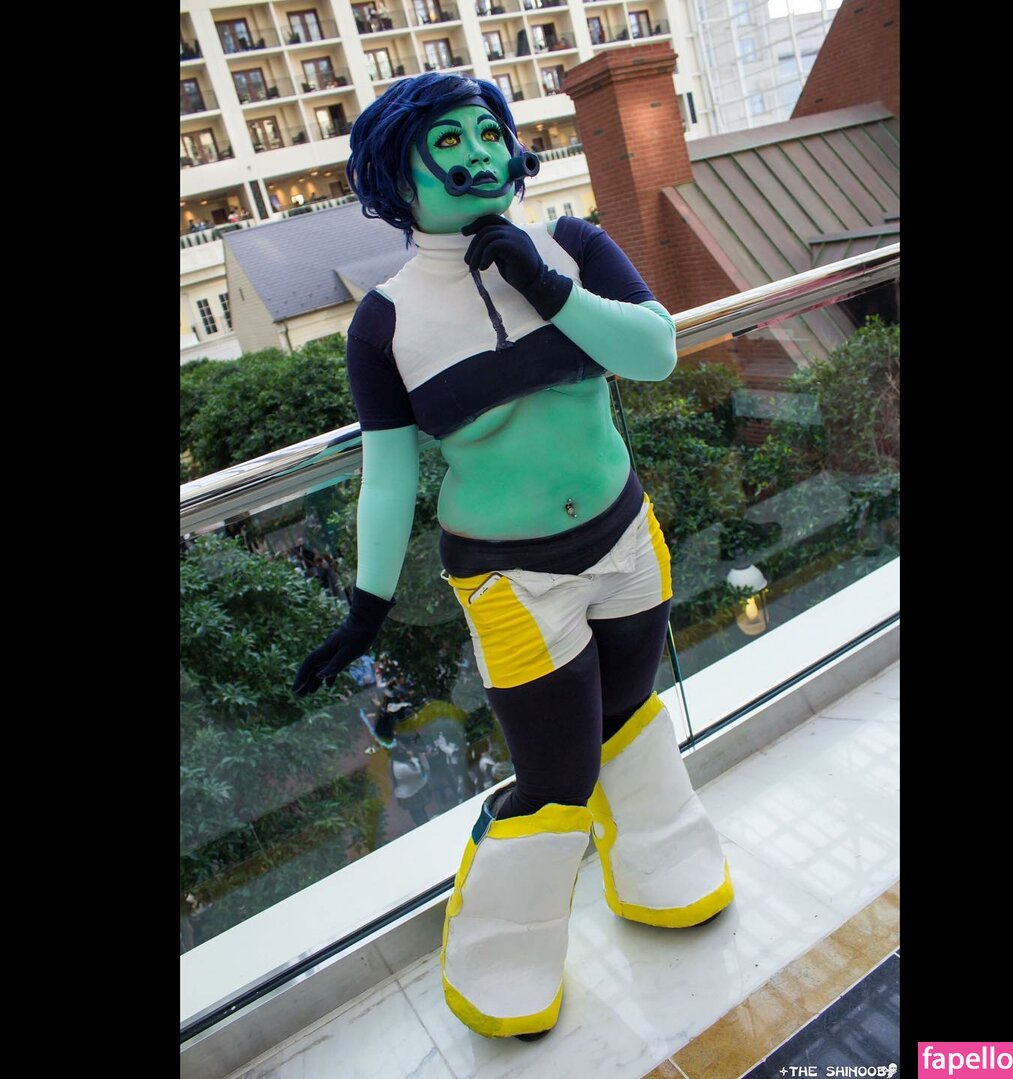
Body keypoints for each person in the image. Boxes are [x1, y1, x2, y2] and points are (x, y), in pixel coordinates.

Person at [293, 72, 733, 1041]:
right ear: (398, 175)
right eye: (449, 141)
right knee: (556, 770)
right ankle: (500, 949)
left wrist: (544, 285)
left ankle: (660, 858)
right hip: (509, 574)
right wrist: (365, 606)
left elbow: (655, 350)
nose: (480, 152)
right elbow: (388, 475)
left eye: (488, 131)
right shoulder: (385, 321)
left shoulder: (571, 242)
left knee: (626, 715)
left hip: (625, 534)